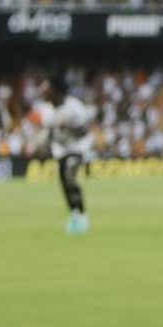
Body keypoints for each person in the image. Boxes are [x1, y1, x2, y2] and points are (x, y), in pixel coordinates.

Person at [38, 74, 96, 234]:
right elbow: (50, 132)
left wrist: (68, 126)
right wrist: (44, 146)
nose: (42, 90)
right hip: (60, 149)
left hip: (78, 147)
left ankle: (82, 215)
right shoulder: (46, 110)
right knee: (64, 181)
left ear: (55, 90)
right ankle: (75, 214)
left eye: (46, 87)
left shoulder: (74, 107)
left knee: (70, 172)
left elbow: (84, 131)